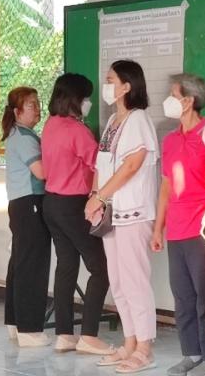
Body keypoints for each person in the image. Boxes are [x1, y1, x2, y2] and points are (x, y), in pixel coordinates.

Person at [84, 60, 160, 373]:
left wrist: (100, 196)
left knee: (135, 281)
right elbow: (101, 166)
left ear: (127, 86)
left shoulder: (139, 119)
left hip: (133, 212)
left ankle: (145, 348)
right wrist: (94, 196)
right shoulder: (114, 121)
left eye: (111, 79)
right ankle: (129, 342)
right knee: (117, 281)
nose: (106, 85)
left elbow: (131, 166)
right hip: (110, 214)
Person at [152, 74, 205, 376]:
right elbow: (166, 187)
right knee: (183, 297)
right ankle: (192, 353)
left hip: (203, 230)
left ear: (189, 100)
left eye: (173, 94)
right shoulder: (170, 140)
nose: (167, 100)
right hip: (176, 230)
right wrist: (158, 228)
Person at [40, 73, 114, 356]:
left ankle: (64, 335)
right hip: (73, 205)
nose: (88, 103)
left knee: (66, 266)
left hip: (51, 203)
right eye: (85, 98)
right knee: (100, 268)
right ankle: (90, 336)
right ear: (74, 99)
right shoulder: (77, 130)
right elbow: (101, 164)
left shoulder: (50, 125)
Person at [2, 86, 51, 348]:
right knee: (33, 265)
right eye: (31, 105)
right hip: (30, 203)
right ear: (17, 111)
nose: (37, 109)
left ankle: (15, 321)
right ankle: (29, 329)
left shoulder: (19, 134)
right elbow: (41, 172)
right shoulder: (24, 138)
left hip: (20, 205)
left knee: (20, 263)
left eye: (38, 103)